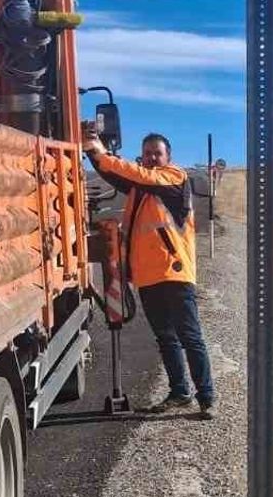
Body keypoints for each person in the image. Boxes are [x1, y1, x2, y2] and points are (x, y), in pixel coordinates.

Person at [81, 126, 217, 419]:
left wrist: (101, 151)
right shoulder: (140, 190)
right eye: (147, 154)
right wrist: (92, 151)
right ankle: (180, 392)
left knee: (189, 336)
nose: (152, 158)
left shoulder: (172, 178)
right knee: (166, 338)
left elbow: (140, 175)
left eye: (157, 153)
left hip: (174, 272)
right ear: (141, 157)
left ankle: (206, 397)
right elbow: (116, 175)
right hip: (147, 277)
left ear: (168, 157)